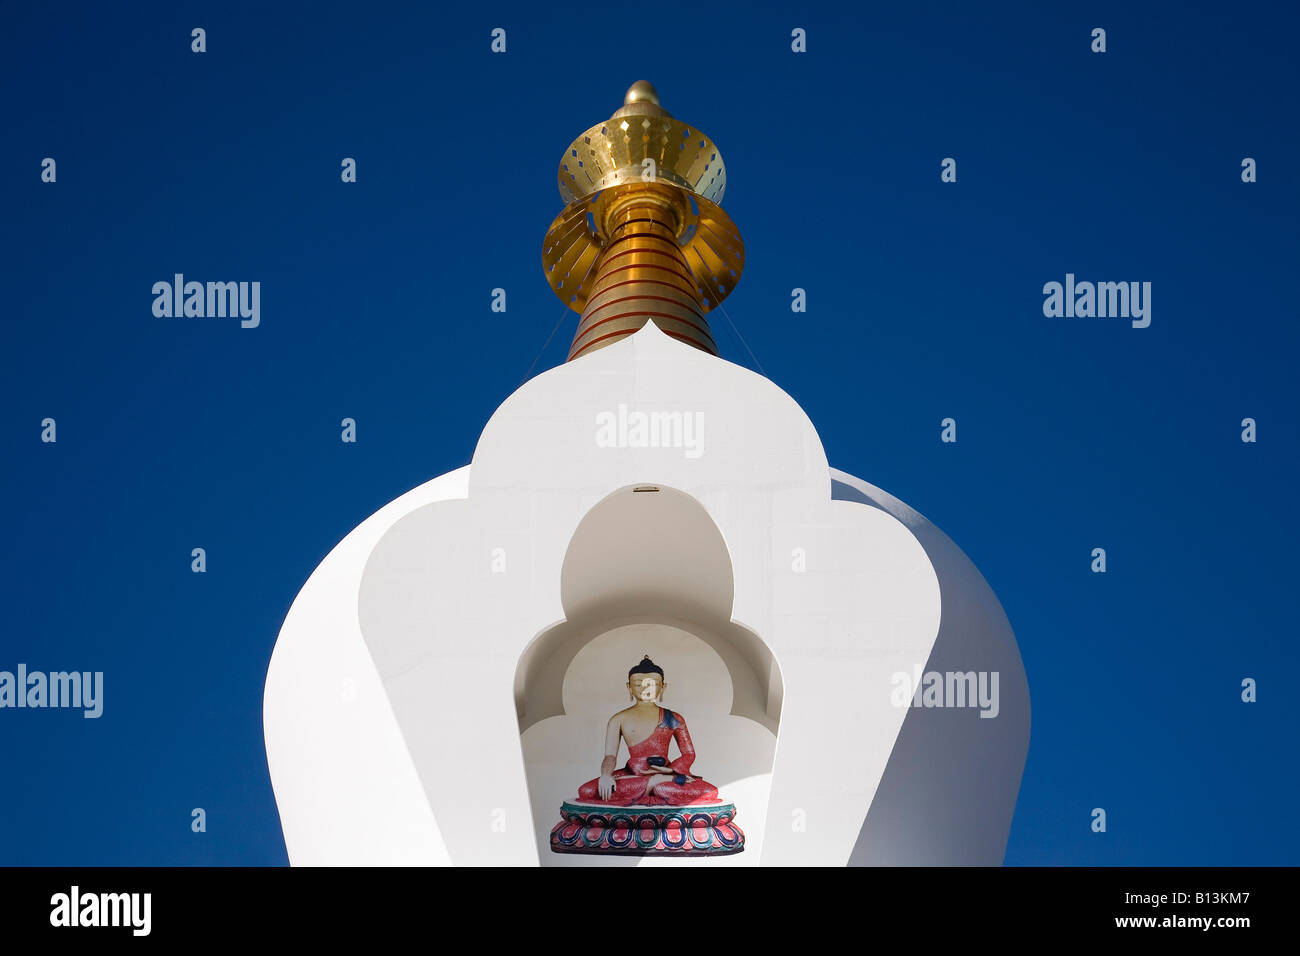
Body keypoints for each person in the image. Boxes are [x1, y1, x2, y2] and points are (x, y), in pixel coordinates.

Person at [574, 656, 721, 806]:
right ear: (629, 687)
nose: (645, 689)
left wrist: (670, 771)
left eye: (652, 684)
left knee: (710, 792)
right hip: (633, 774)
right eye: (638, 684)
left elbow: (689, 754)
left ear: (663, 687)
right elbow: (610, 755)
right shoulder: (618, 719)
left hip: (665, 773)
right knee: (586, 791)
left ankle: (656, 784)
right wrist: (605, 775)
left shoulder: (673, 718)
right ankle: (654, 783)